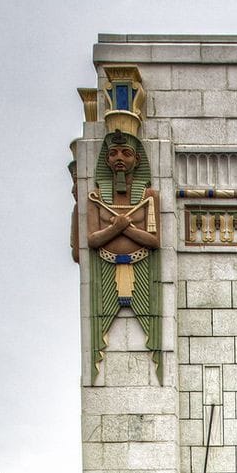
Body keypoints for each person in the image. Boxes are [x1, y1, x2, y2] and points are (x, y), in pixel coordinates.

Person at [87, 129, 162, 382]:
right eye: (113, 153)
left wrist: (124, 227)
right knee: (99, 340)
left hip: (141, 266)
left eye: (126, 153)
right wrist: (116, 228)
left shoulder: (149, 196)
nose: (119, 158)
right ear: (106, 160)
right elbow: (92, 239)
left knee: (155, 339)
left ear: (137, 160)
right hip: (107, 266)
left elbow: (154, 240)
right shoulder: (96, 196)